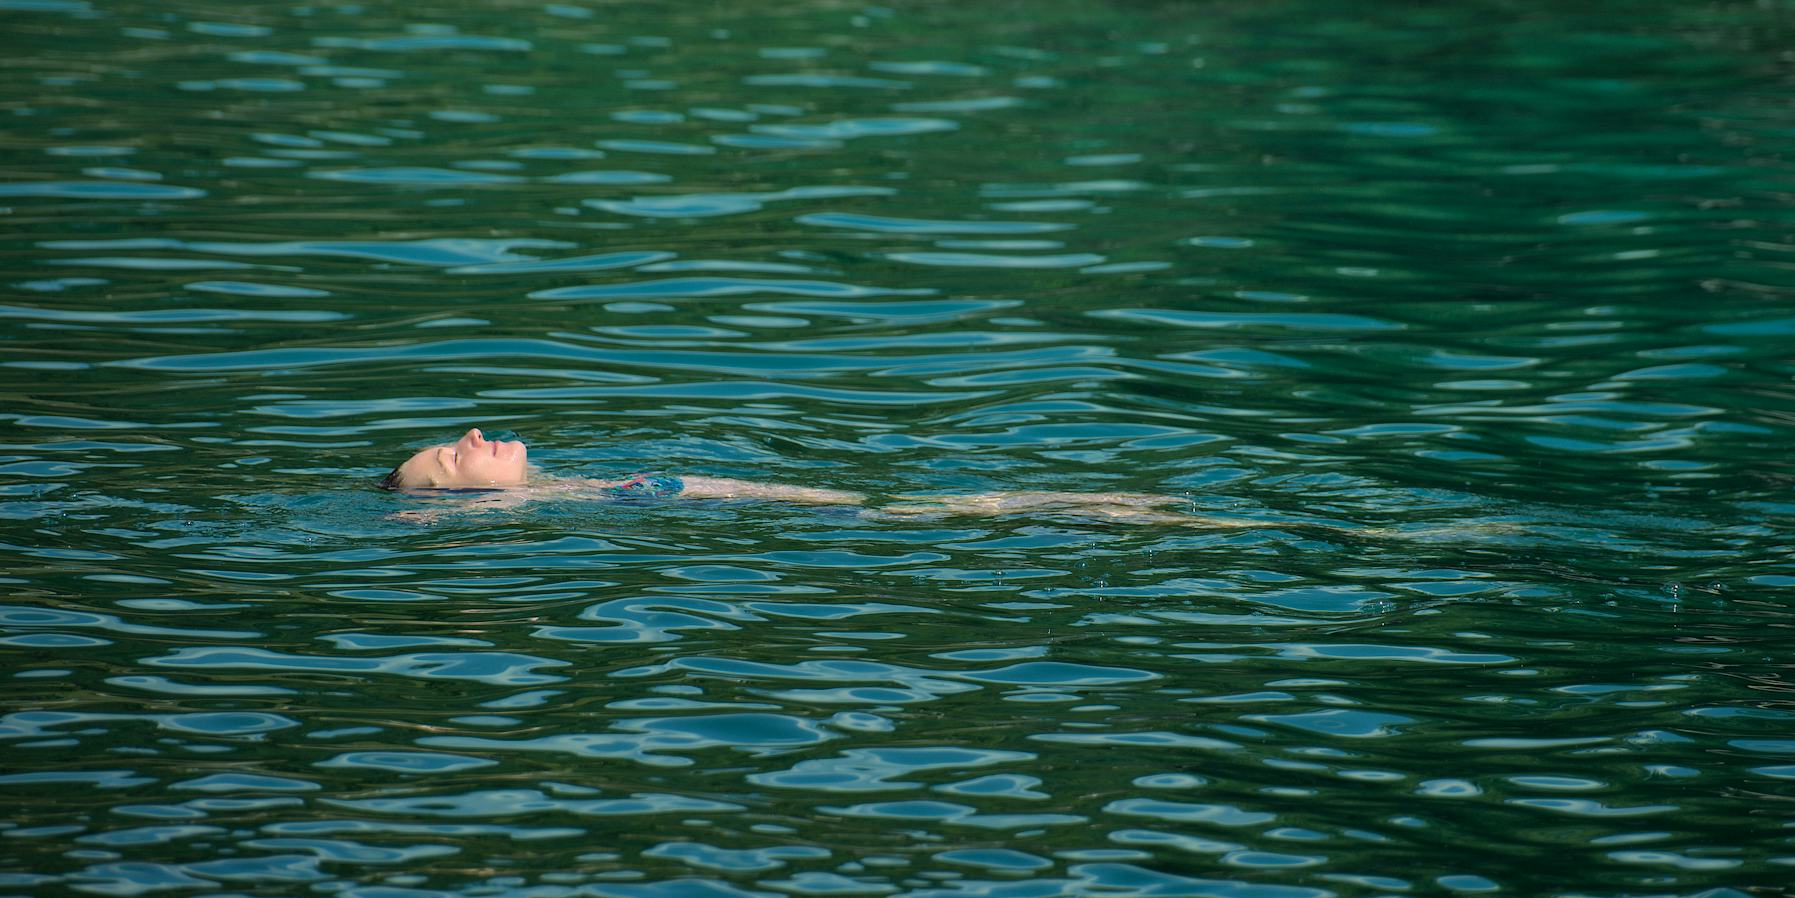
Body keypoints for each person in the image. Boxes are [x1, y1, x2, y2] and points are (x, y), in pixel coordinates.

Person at [380, 427, 1263, 526]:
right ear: (462, 501)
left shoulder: (568, 489)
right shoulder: (563, 510)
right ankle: (1141, 518)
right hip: (852, 524)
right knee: (986, 508)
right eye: (453, 455)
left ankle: (1115, 507)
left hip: (830, 507)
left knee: (993, 502)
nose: (473, 433)